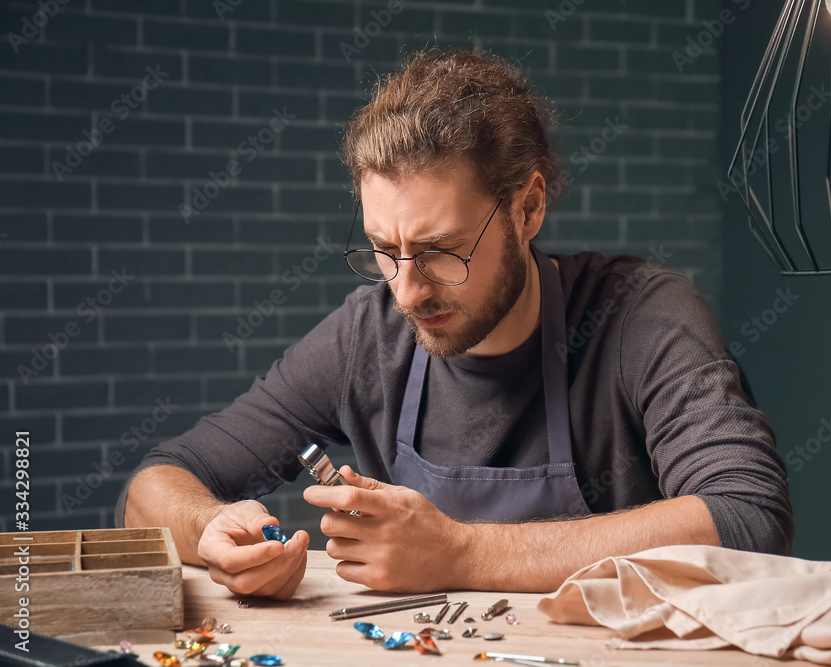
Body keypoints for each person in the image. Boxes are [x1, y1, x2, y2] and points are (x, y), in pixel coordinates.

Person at [117, 48, 792, 599]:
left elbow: (749, 518)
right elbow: (157, 481)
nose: (408, 290)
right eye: (385, 251)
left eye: (441, 251)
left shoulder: (642, 315)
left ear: (528, 208)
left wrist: (460, 550)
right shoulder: (367, 337)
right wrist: (208, 526)